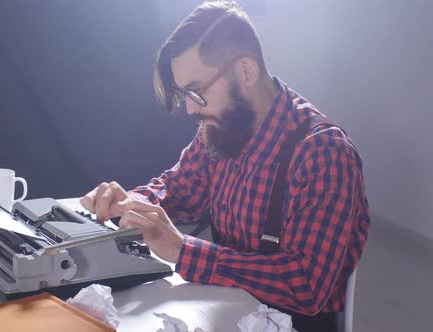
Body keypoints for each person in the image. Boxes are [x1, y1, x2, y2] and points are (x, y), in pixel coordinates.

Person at [80, 1, 370, 331]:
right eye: (184, 93)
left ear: (246, 71)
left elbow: (305, 286)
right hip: (228, 313)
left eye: (197, 92)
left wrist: (183, 250)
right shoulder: (223, 127)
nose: (190, 109)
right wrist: (131, 203)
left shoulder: (323, 153)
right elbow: (178, 189)